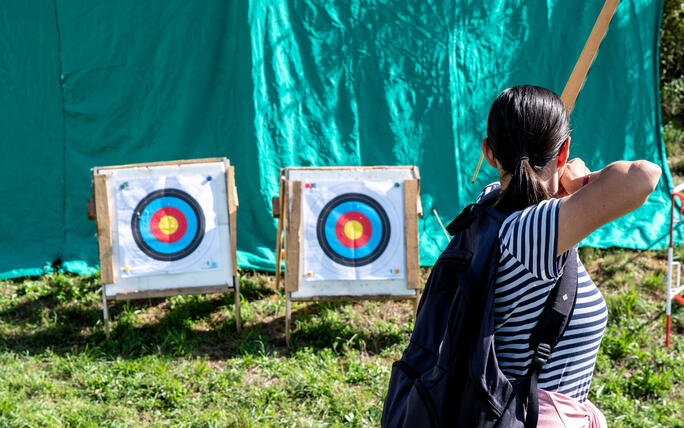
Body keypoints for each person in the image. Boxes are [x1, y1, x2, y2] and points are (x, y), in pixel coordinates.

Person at [478, 85, 661, 427]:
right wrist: (582, 184)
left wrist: (555, 201)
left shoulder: (487, 208)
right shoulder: (533, 230)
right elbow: (645, 176)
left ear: (489, 152)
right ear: (563, 153)